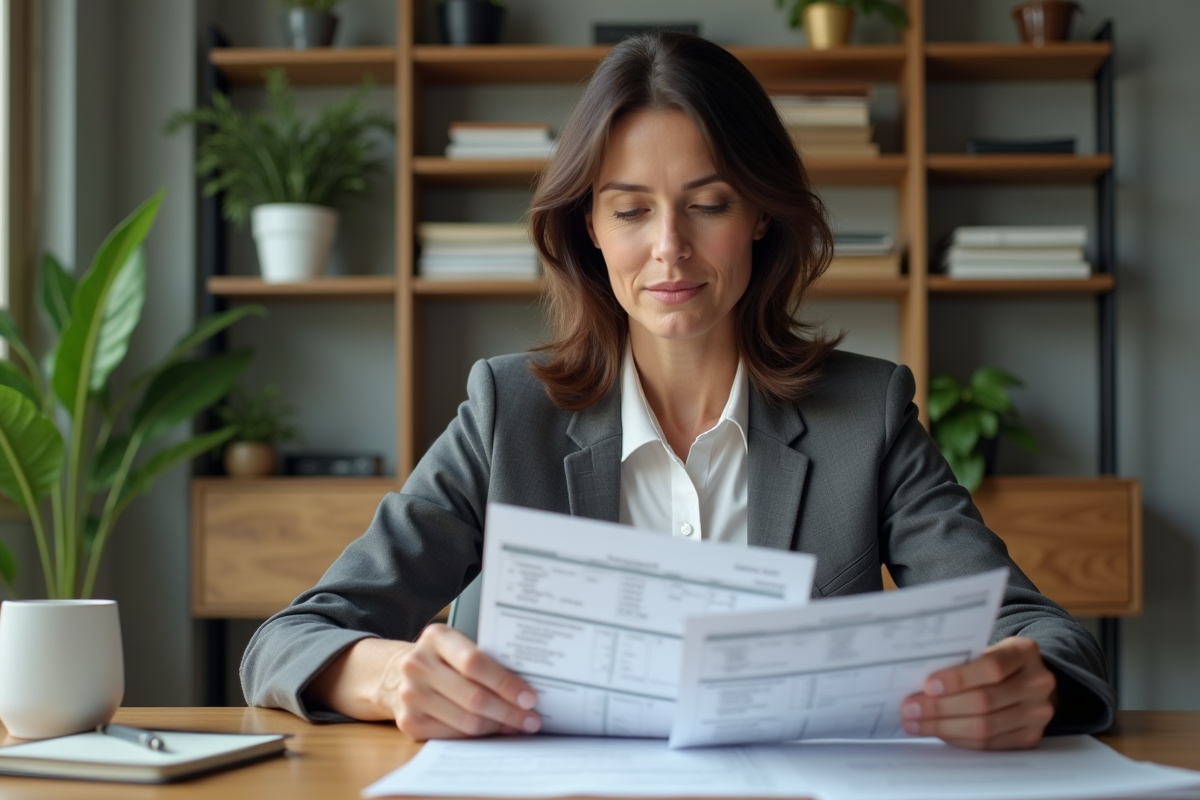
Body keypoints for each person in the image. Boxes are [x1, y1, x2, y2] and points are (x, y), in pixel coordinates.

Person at [241, 32, 1113, 750]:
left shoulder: (865, 414)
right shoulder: (510, 413)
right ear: (587, 225)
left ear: (760, 215)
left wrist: (1026, 681)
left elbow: (1047, 633)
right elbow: (289, 638)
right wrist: (397, 679)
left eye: (709, 203)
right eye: (630, 210)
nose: (670, 249)